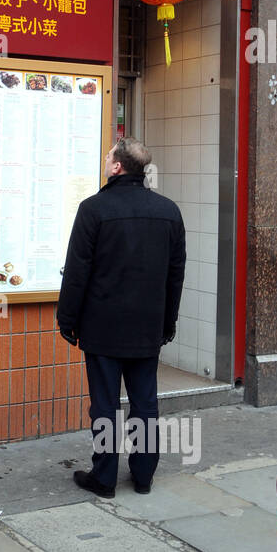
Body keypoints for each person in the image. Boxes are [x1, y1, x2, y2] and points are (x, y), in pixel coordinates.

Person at [57, 137, 186, 497]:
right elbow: (176, 272)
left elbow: (77, 271)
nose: (105, 159)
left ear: (117, 167)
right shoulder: (168, 211)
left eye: (108, 156)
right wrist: (168, 322)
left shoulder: (94, 209)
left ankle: (105, 477)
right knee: (145, 404)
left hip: (102, 327)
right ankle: (143, 476)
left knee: (105, 404)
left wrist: (67, 320)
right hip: (147, 327)